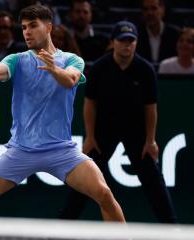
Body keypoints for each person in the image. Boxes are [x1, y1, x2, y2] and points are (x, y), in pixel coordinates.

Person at [0, 5, 126, 239]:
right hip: (21, 151)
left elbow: (69, 81)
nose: (26, 32)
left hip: (61, 151)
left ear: (48, 27)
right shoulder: (16, 60)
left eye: (33, 26)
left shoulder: (72, 60)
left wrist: (53, 69)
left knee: (104, 193)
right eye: (24, 27)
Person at [58, 20, 177, 223]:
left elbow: (151, 108)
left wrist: (150, 140)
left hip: (136, 131)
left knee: (153, 181)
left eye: (131, 41)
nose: (127, 45)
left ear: (137, 43)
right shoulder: (99, 68)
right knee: (85, 178)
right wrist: (90, 136)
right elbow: (89, 103)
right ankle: (63, 226)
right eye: (122, 40)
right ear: (113, 42)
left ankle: (172, 228)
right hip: (104, 131)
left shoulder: (145, 70)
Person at [136, 0, 180, 65]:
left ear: (163, 10)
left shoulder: (175, 34)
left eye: (154, 8)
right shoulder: (136, 34)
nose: (149, 13)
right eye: (145, 9)